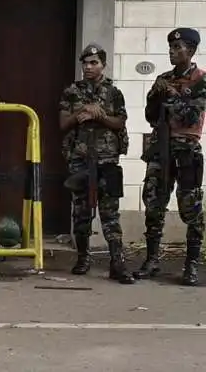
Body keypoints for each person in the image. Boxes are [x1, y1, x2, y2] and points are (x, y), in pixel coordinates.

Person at [135, 28, 206, 286]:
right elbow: (151, 117)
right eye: (171, 48)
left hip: (186, 150)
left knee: (191, 209)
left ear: (192, 50)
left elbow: (190, 116)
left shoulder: (201, 80)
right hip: (161, 148)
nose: (172, 52)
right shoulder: (163, 79)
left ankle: (191, 265)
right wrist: (157, 94)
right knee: (154, 204)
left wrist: (172, 96)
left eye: (178, 48)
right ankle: (152, 260)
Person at [59, 43, 134, 284]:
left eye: (94, 63)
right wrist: (81, 110)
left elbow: (119, 122)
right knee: (80, 213)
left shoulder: (113, 93)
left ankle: (117, 262)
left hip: (108, 160)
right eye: (85, 63)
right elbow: (64, 124)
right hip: (81, 159)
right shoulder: (72, 92)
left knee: (110, 214)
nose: (89, 67)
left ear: (103, 65)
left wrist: (99, 114)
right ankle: (83, 258)